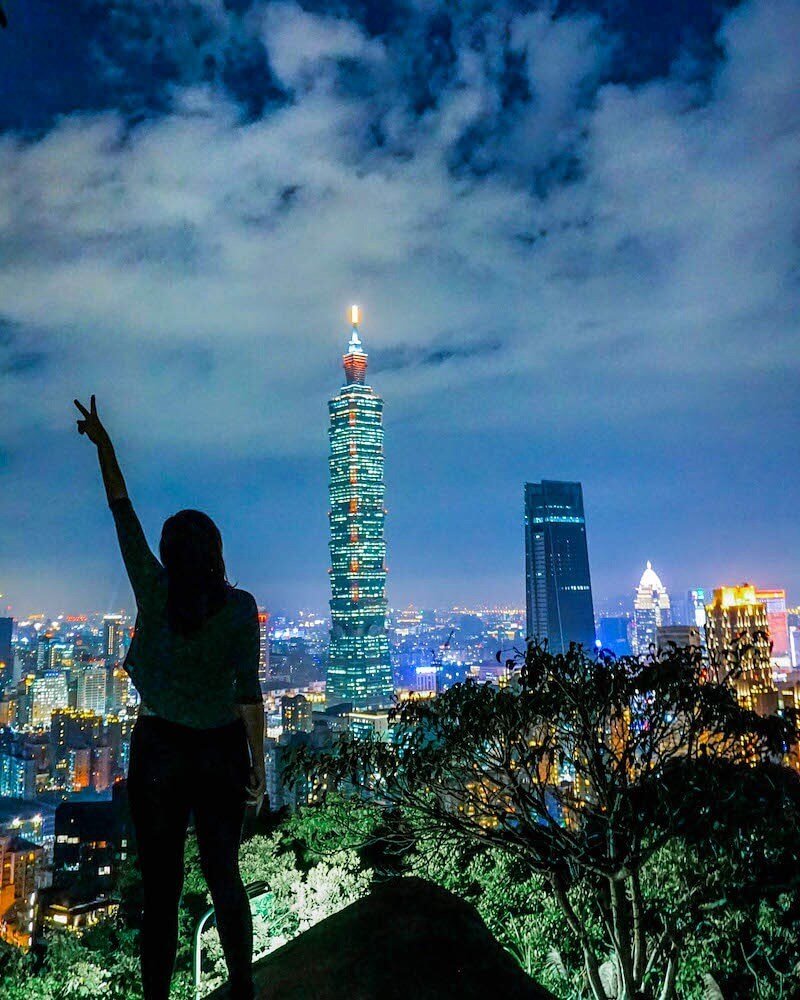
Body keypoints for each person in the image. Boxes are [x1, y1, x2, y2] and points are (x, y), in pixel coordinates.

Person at [74, 395, 265, 1000]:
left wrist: (105, 446)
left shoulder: (153, 590)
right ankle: (243, 987)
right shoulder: (239, 608)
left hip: (158, 750)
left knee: (161, 888)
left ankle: (156, 996)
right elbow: (250, 696)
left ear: (168, 551)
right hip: (220, 750)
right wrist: (257, 767)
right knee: (224, 876)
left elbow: (120, 512)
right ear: (216, 552)